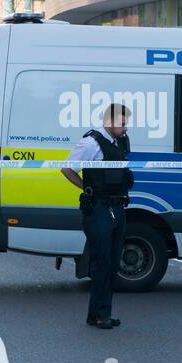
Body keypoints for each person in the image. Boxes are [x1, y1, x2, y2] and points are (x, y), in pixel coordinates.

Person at [62, 103, 134, 329]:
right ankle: (100, 314)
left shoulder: (118, 142)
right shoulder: (91, 142)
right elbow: (67, 169)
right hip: (99, 209)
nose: (125, 128)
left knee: (112, 263)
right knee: (102, 261)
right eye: (122, 123)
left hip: (117, 207)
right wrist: (87, 188)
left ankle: (100, 313)